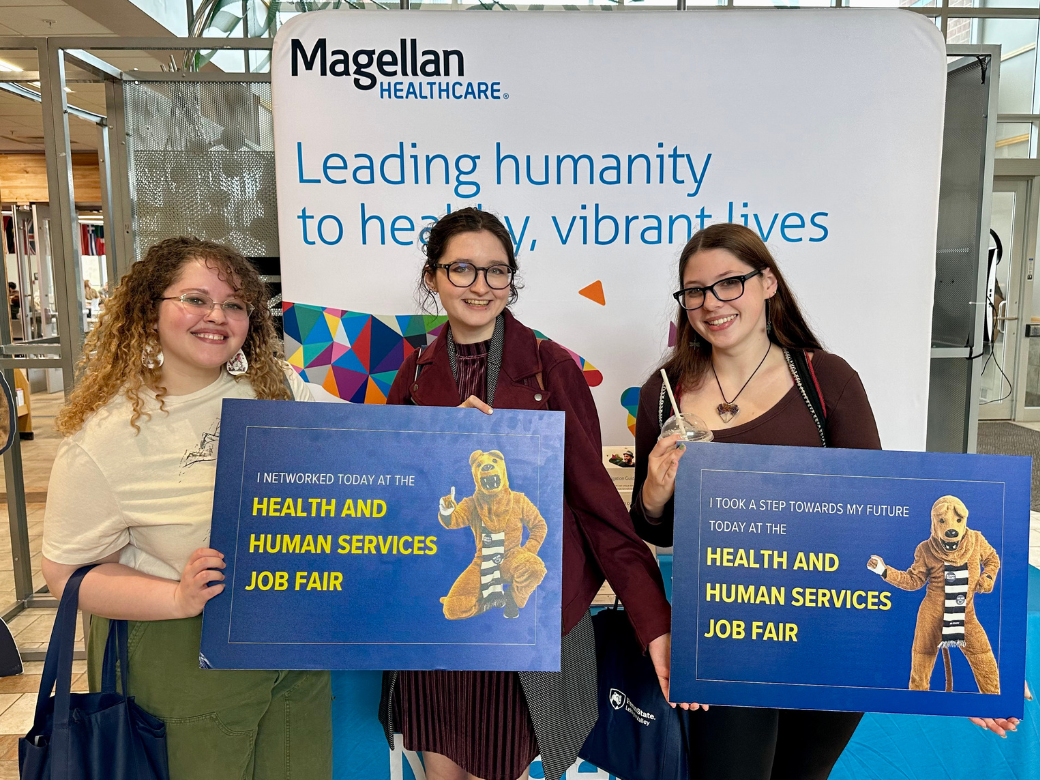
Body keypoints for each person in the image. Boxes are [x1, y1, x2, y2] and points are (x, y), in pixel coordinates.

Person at [629, 223, 1020, 780]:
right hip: (729, 638)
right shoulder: (664, 391)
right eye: (695, 291)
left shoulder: (826, 380)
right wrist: (654, 491)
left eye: (729, 283)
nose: (711, 303)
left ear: (768, 283)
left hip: (829, 634)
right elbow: (658, 531)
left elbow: (883, 516)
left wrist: (994, 656)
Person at [380, 207, 674, 780]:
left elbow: (596, 504)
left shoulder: (548, 368)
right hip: (441, 622)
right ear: (432, 277)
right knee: (441, 773)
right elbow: (396, 498)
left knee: (501, 768)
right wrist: (441, 447)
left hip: (522, 618)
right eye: (461, 269)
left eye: (497, 271)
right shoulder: (416, 373)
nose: (481, 285)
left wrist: (652, 618)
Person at [41, 237, 332, 780]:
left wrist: (458, 428)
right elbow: (66, 573)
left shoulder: (277, 388)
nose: (216, 316)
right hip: (181, 648)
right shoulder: (106, 434)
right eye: (195, 299)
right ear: (150, 310)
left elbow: (372, 439)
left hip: (292, 641)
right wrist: (175, 597)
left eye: (235, 304)